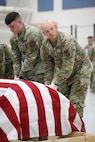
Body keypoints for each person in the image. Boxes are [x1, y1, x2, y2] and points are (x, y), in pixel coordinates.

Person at [40, 19, 92, 117]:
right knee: (63, 100)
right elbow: (48, 65)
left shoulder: (67, 41)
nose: (50, 33)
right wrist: (47, 84)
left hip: (80, 71)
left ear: (56, 27)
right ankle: (66, 128)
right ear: (44, 33)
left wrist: (55, 83)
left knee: (74, 103)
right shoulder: (45, 45)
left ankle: (77, 129)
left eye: (51, 29)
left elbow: (68, 67)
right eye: (47, 31)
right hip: (65, 73)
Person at [5, 11, 44, 83]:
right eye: (9, 27)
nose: (11, 30)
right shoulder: (13, 38)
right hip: (27, 70)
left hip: (40, 69)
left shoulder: (32, 34)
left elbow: (31, 58)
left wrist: (21, 75)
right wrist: (16, 75)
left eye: (12, 26)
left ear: (20, 22)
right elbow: (16, 58)